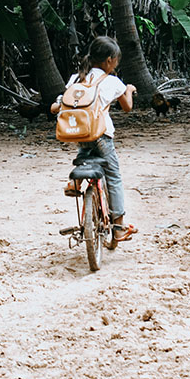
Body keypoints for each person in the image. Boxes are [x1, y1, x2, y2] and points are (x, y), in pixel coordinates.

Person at [51, 36, 138, 242]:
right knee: (114, 176)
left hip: (78, 133)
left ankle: (75, 182)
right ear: (109, 60)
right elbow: (128, 107)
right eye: (116, 60)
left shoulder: (75, 79)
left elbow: (60, 103)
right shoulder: (112, 81)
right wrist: (129, 90)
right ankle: (118, 226)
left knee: (85, 150)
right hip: (101, 135)